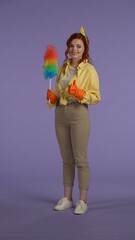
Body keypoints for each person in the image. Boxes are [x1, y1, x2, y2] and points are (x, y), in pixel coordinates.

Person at [46, 26, 101, 215]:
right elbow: (60, 92)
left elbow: (96, 96)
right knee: (66, 159)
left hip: (79, 114)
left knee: (80, 159)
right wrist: (53, 98)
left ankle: (82, 201)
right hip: (60, 115)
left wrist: (81, 93)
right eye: (71, 46)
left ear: (85, 48)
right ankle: (67, 198)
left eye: (78, 46)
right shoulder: (63, 68)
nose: (74, 49)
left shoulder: (89, 70)